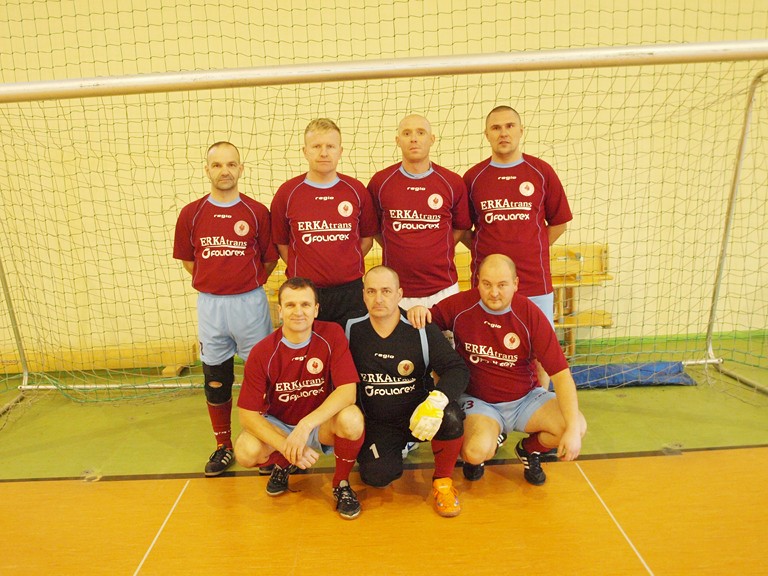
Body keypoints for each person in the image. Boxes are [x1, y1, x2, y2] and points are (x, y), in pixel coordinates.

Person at [408, 254, 587, 485]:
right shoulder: (461, 305)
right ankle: (491, 438)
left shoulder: (530, 314)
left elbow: (562, 377)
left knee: (576, 425)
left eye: (502, 285)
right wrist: (419, 311)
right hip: (479, 402)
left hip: (526, 400)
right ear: (478, 282)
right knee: (475, 452)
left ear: (515, 284)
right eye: (487, 284)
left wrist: (571, 431)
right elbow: (428, 322)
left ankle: (529, 450)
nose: (494, 293)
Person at [173, 141, 277, 477]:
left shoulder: (256, 212)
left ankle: (264, 445)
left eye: (231, 164)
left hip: (250, 303)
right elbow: (190, 261)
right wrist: (216, 283)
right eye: (217, 165)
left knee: (261, 377)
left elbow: (269, 259)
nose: (225, 171)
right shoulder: (191, 214)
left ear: (241, 169)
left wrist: (245, 282)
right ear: (207, 170)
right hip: (211, 305)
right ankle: (223, 446)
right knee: (216, 378)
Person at [235, 277, 365, 520]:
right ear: (280, 310)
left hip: (318, 424)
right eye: (290, 305)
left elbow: (348, 391)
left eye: (305, 304)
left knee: (352, 419)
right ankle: (284, 463)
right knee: (245, 450)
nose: (298, 312)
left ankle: (341, 483)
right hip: (281, 425)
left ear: (316, 309)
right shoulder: (262, 351)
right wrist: (286, 444)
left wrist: (306, 426)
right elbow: (247, 415)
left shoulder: (332, 334)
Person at [464, 105, 573, 392]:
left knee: (541, 349)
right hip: (489, 284)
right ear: (487, 134)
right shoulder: (473, 177)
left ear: (521, 131)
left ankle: (540, 399)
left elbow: (559, 223)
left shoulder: (541, 171)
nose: (503, 133)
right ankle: (492, 400)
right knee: (489, 345)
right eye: (496, 127)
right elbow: (463, 229)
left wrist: (533, 248)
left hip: (534, 279)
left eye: (510, 126)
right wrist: (487, 256)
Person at [345, 266, 469, 517]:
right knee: (376, 476)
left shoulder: (419, 326)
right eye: (371, 291)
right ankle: (398, 449)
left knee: (451, 416)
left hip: (420, 415)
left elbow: (457, 369)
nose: (379, 298)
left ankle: (443, 482)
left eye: (386, 291)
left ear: (400, 294)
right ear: (363, 295)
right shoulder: (350, 329)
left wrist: (436, 401)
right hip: (379, 424)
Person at [271, 118, 378, 325]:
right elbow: (282, 244)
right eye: (316, 146)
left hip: (350, 292)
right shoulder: (287, 193)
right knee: (308, 346)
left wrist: (344, 264)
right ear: (305, 151)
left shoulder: (356, 190)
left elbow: (367, 240)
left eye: (330, 146)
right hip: (304, 292)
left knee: (352, 345)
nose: (324, 153)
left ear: (340, 151)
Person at [367, 114, 471, 309]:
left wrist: (437, 248)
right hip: (396, 290)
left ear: (432, 139)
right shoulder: (380, 182)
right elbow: (374, 229)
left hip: (443, 289)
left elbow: (461, 228)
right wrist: (397, 246)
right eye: (407, 133)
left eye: (420, 133)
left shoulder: (452, 182)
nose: (413, 138)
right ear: (398, 140)